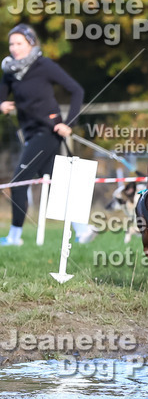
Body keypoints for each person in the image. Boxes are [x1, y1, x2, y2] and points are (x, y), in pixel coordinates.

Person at [1, 24, 93, 246]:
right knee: (57, 182)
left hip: (48, 132)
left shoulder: (44, 65)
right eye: (11, 44)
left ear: (31, 43)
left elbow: (77, 90)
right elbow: (2, 96)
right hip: (30, 133)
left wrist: (69, 123)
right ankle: (83, 230)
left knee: (18, 182)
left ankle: (14, 237)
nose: (14, 48)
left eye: (19, 43)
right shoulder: (10, 71)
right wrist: (2, 104)